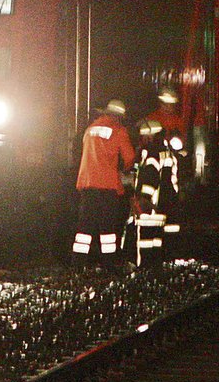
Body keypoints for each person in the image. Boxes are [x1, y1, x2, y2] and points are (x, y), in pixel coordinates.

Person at [71, 99, 136, 268]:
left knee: (85, 225)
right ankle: (108, 264)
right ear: (120, 116)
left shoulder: (90, 129)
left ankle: (77, 264)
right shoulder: (119, 130)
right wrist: (126, 171)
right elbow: (129, 158)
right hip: (107, 185)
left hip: (87, 183)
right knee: (107, 227)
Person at [132, 119, 179, 266]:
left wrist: (142, 200)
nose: (142, 140)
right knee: (158, 245)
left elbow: (150, 178)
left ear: (150, 136)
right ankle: (158, 272)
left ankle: (143, 274)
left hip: (150, 208)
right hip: (164, 206)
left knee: (145, 244)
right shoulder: (167, 151)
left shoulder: (152, 154)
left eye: (144, 137)